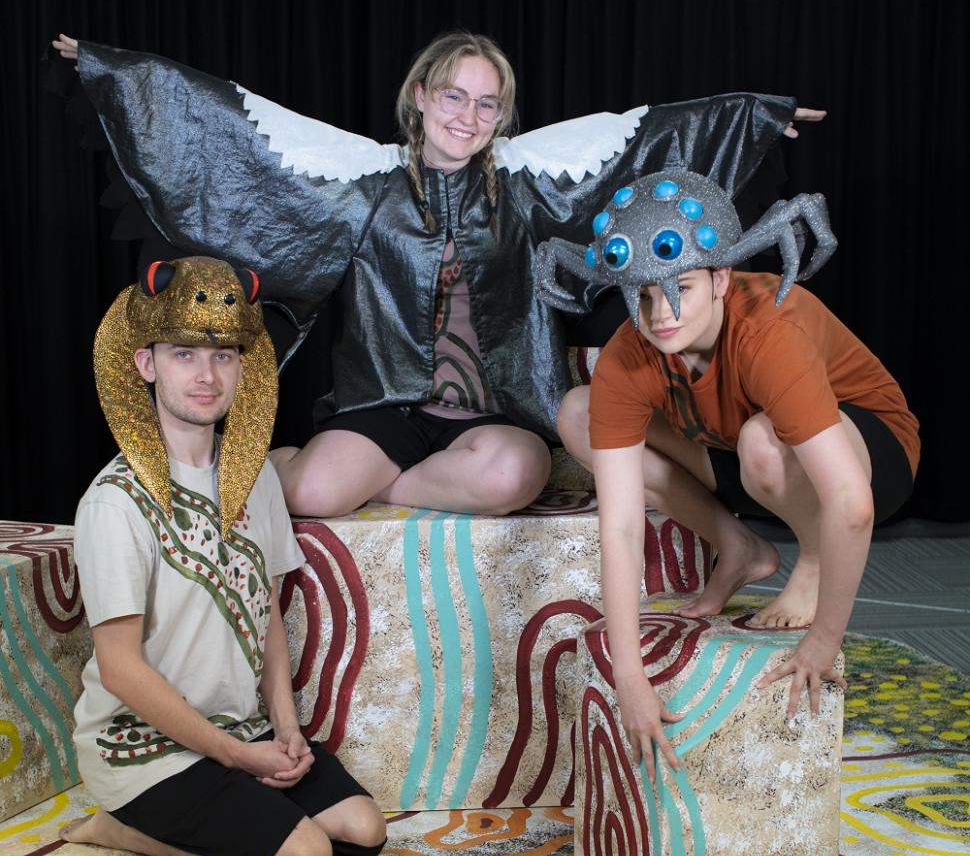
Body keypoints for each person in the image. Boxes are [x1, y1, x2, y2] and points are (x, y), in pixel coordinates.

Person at [52, 31, 823, 517]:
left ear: (502, 116)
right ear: (420, 97)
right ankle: (311, 468)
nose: (468, 115)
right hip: (387, 404)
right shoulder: (360, 185)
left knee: (514, 476)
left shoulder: (525, 187)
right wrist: (111, 73)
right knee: (314, 495)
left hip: (493, 412)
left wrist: (754, 117)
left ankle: (383, 484)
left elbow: (642, 142)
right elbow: (232, 131)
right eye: (454, 95)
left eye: (488, 105)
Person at [548, 170, 919, 776]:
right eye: (642, 294)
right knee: (579, 411)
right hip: (733, 446)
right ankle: (739, 546)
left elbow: (853, 503)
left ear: (721, 278)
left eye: (683, 288)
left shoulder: (769, 327)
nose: (661, 313)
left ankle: (812, 558)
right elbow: (619, 528)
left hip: (866, 452)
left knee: (762, 442)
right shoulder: (632, 348)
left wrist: (823, 641)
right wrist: (630, 675)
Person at [62, 255, 387, 856]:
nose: (207, 375)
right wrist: (236, 758)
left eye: (224, 355)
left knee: (363, 832)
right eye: (184, 354)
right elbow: (121, 669)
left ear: (245, 365)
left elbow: (264, 610)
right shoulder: (114, 501)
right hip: (145, 748)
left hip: (241, 730)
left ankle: (238, 798)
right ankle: (127, 828)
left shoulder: (254, 474)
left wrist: (286, 726)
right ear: (146, 363)